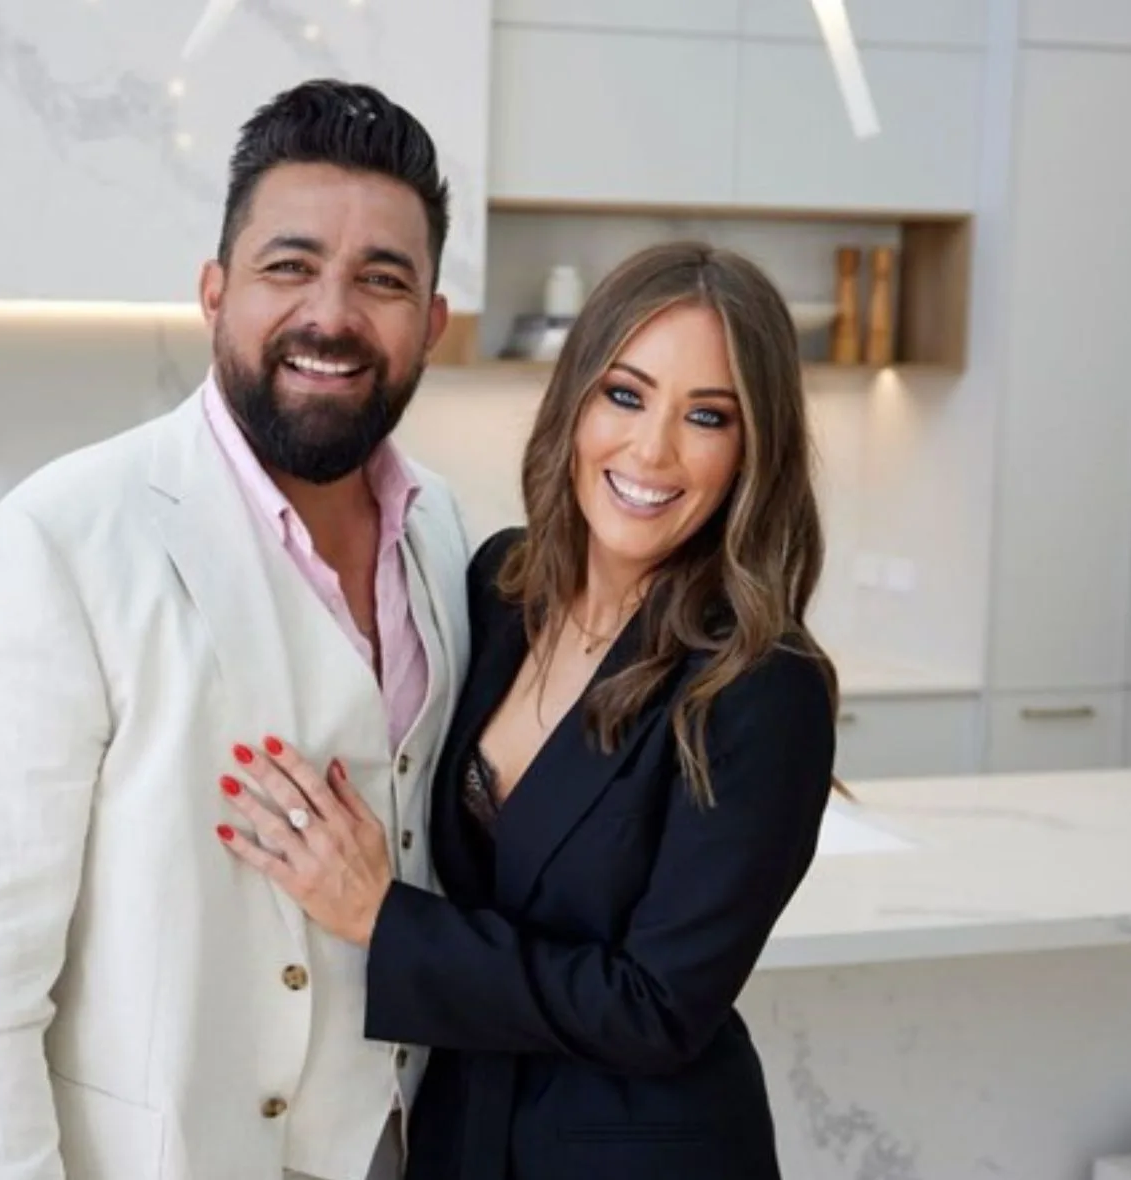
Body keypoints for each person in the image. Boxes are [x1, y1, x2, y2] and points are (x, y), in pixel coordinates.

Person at [0, 79, 474, 1180]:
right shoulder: (48, 549)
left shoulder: (448, 533)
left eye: (382, 279)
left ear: (431, 320)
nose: (332, 316)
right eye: (288, 266)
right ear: (215, 292)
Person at [216, 241, 840, 1179]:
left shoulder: (760, 682)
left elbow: (657, 1006)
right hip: (464, 1136)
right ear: (577, 402)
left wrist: (382, 918)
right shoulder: (501, 587)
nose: (651, 450)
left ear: (752, 452)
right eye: (625, 396)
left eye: (707, 417)